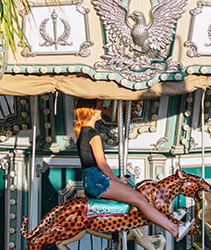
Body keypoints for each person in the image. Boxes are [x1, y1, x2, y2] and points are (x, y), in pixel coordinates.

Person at [73, 100, 193, 240]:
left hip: (92, 180)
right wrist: (117, 180)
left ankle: (168, 218)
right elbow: (102, 164)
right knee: (140, 200)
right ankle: (174, 229)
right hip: (98, 180)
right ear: (92, 111)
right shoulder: (93, 135)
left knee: (138, 197)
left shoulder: (82, 133)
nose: (103, 108)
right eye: (100, 106)